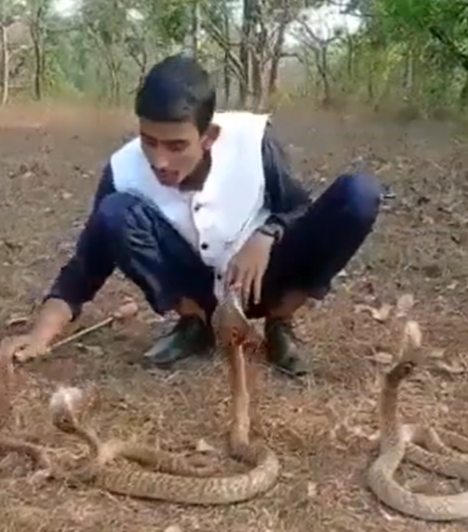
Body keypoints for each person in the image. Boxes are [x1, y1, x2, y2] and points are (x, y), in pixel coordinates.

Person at [0, 54, 383, 377]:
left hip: (262, 281)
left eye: (177, 145)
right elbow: (84, 268)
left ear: (209, 136)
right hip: (196, 285)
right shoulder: (123, 170)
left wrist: (268, 234)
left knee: (359, 194)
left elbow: (299, 207)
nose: (159, 160)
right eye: (149, 141)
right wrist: (40, 336)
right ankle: (193, 325)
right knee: (115, 212)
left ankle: (280, 324)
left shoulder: (253, 140)